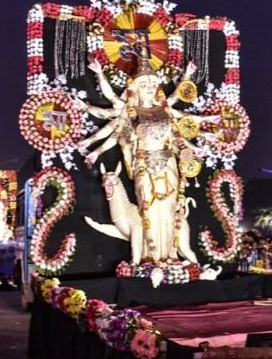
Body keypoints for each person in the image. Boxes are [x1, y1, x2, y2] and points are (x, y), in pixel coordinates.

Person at [78, 52, 219, 262]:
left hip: (168, 165)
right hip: (143, 164)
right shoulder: (130, 111)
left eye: (153, 84)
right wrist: (99, 75)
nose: (149, 88)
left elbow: (178, 138)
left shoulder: (165, 110)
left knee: (170, 208)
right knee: (149, 209)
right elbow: (116, 133)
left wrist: (191, 152)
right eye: (144, 84)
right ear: (135, 88)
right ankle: (149, 257)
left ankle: (170, 255)